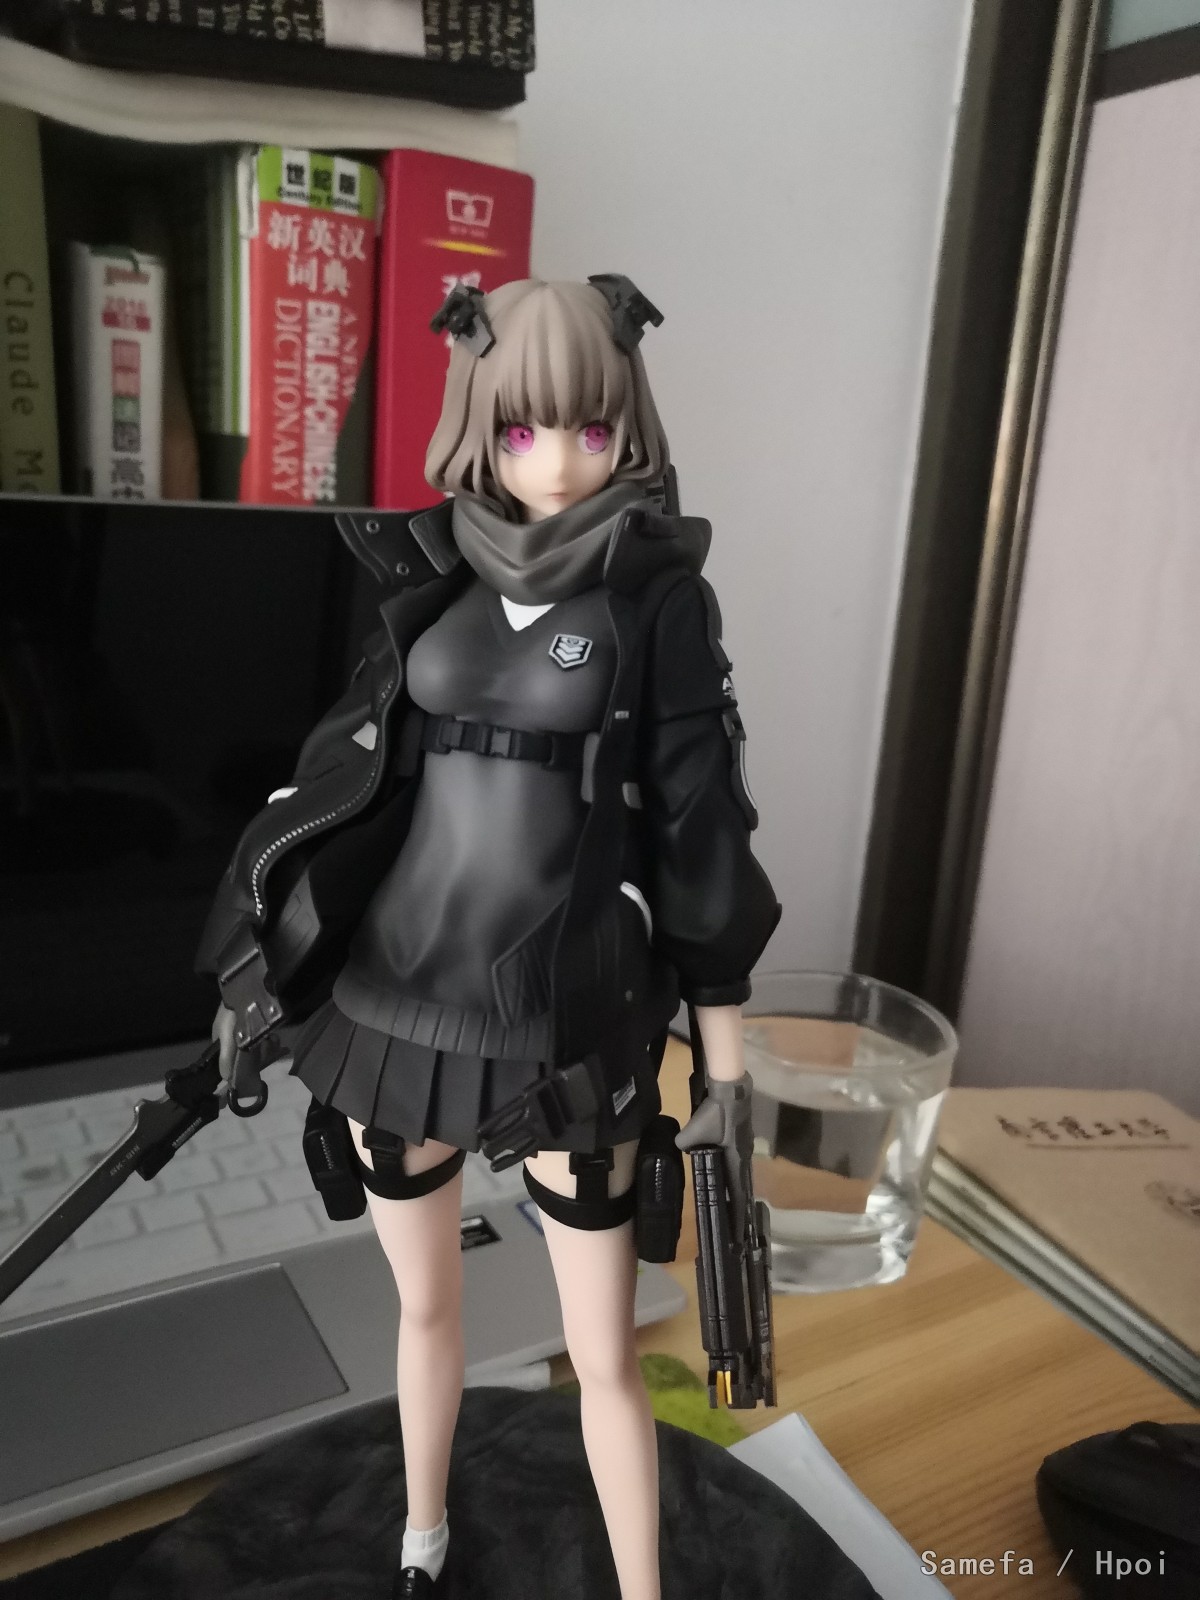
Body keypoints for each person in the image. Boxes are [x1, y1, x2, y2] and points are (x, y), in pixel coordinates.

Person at [202, 275, 780, 1600]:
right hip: (393, 995)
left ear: (626, 425)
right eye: (521, 430)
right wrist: (254, 956)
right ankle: (422, 1540)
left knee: (604, 1351)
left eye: (588, 427)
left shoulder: (657, 602)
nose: (557, 460)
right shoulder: (432, 571)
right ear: (481, 426)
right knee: (422, 1305)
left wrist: (728, 1068)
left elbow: (703, 832)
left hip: (562, 1014)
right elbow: (338, 781)